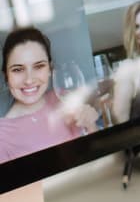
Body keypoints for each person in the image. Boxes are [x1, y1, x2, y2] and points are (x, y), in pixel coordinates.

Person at [0, 27, 99, 162]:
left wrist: (91, 126)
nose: (29, 80)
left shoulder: (64, 98)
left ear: (50, 69)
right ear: (6, 76)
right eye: (18, 69)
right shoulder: (2, 136)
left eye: (39, 66)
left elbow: (96, 157)